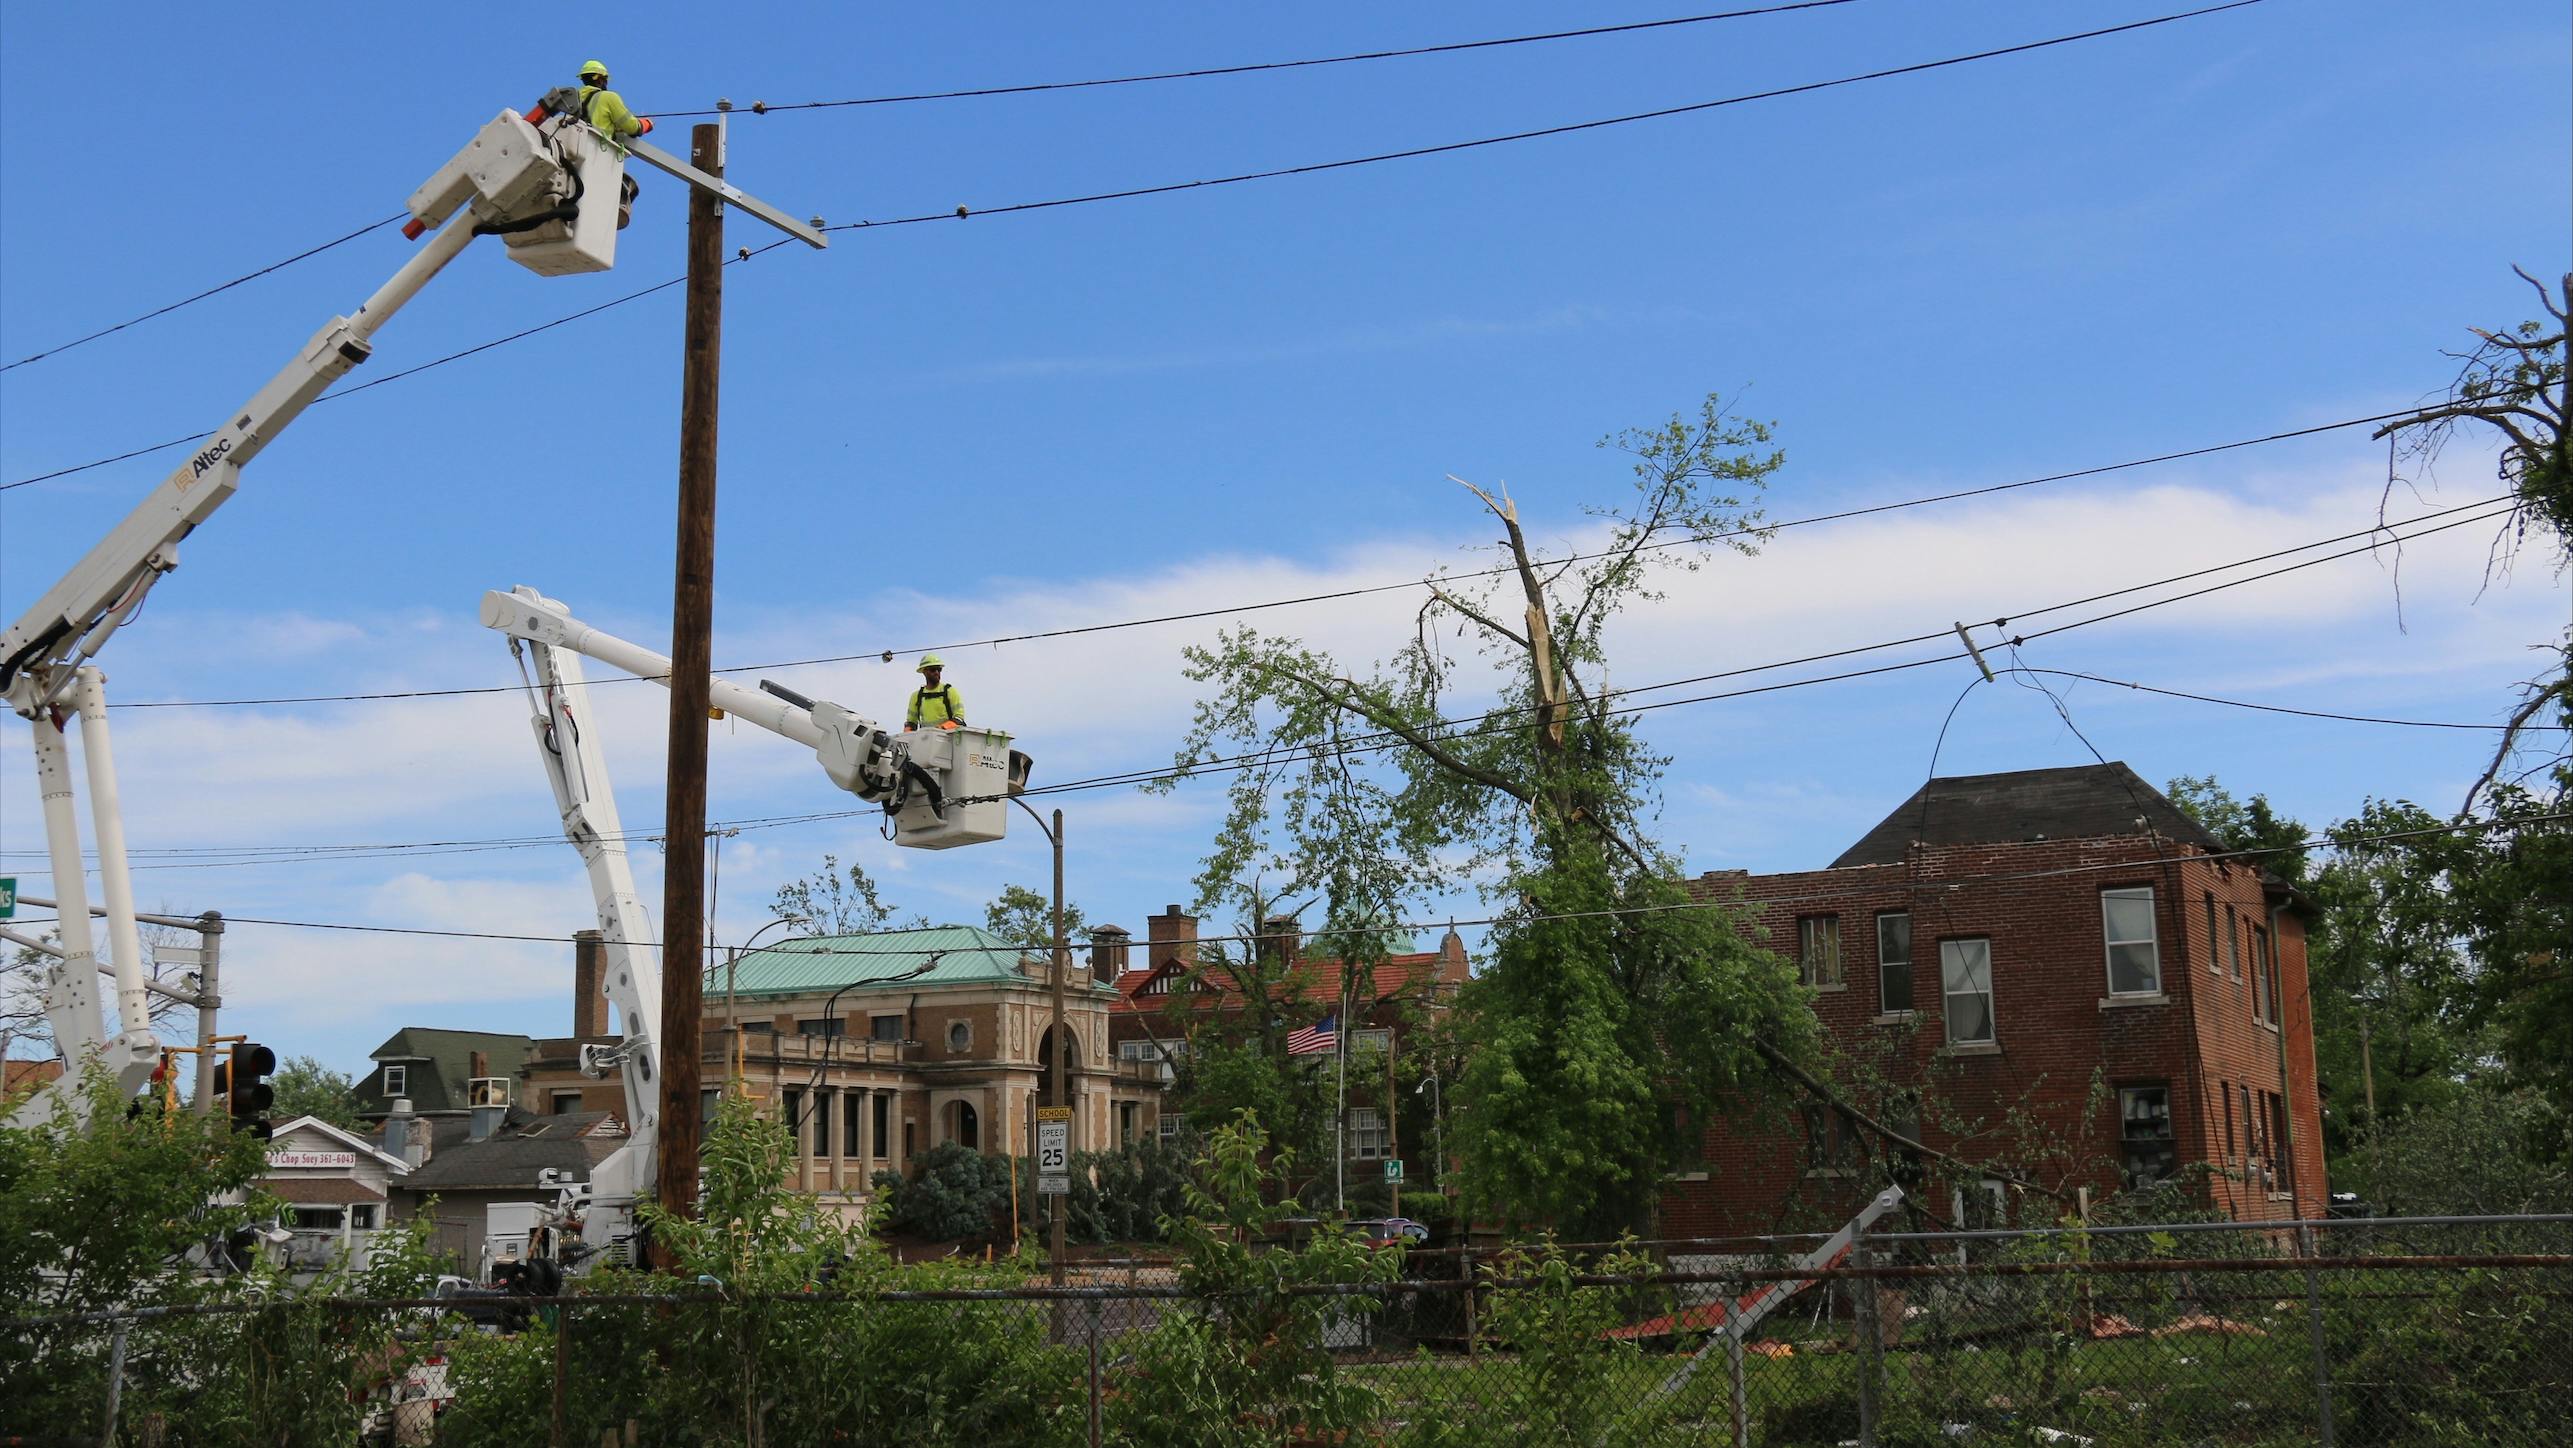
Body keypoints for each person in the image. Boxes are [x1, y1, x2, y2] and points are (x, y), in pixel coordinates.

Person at [573, 60, 648, 226]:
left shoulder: (572, 99)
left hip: (575, 160)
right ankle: (616, 208)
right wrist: (646, 124)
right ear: (601, 79)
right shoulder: (608, 98)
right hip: (600, 157)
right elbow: (632, 127)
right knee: (630, 187)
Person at [905, 655, 966, 731]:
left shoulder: (950, 691)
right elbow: (911, 723)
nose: (937, 672)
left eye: (939, 669)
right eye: (933, 670)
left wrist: (941, 728)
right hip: (926, 739)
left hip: (948, 739)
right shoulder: (916, 696)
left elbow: (959, 719)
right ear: (924, 671)